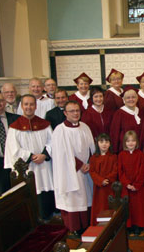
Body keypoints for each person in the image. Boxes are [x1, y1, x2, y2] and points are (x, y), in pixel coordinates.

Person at [5, 94, 55, 221]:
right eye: (26, 104)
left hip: (44, 164)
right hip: (28, 166)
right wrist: (31, 156)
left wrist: (44, 155)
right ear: (21, 106)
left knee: (46, 190)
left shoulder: (44, 124)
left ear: (36, 106)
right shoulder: (15, 127)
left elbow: (52, 141)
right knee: (33, 190)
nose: (29, 107)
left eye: (31, 104)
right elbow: (13, 149)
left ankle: (49, 217)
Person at [51, 101, 95, 236]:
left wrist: (89, 163)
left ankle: (86, 224)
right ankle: (75, 227)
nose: (75, 113)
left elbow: (91, 148)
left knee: (86, 197)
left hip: (86, 170)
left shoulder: (85, 127)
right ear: (65, 113)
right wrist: (80, 165)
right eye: (72, 111)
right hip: (70, 171)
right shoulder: (60, 130)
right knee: (73, 198)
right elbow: (61, 153)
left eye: (77, 111)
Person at [119, 130, 144, 234]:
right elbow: (120, 171)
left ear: (136, 142)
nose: (130, 143)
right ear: (124, 142)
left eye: (133, 141)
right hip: (126, 187)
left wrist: (136, 184)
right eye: (128, 141)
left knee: (139, 207)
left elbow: (142, 170)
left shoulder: (140, 154)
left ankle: (138, 225)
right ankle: (129, 225)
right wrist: (127, 183)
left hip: (138, 187)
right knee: (129, 207)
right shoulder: (121, 155)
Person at [89, 133, 117, 226]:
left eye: (106, 142)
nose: (104, 144)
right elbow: (92, 171)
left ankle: (110, 226)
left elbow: (115, 170)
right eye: (101, 142)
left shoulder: (113, 157)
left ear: (110, 144)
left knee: (109, 206)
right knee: (99, 206)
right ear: (97, 143)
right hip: (99, 188)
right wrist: (101, 180)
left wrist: (107, 179)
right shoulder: (93, 158)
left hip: (110, 187)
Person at [110, 87, 142, 153]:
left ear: (137, 98)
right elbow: (115, 134)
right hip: (123, 150)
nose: (131, 99)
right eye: (128, 98)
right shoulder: (119, 114)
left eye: (133, 97)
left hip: (138, 150)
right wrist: (115, 151)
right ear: (124, 100)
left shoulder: (140, 112)